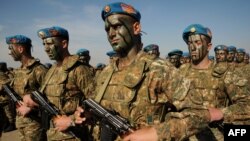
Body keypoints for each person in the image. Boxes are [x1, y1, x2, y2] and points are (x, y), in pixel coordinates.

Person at [122, 24, 250, 141]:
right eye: (189, 43)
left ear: (209, 46)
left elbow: (246, 106)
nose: (192, 47)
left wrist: (220, 113)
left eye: (197, 42)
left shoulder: (225, 73)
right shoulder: (178, 72)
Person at [74, 2, 176, 141]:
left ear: (136, 28)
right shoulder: (106, 72)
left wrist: (158, 133)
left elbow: (198, 113)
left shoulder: (159, 69)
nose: (111, 33)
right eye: (107, 29)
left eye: (117, 26)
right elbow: (95, 105)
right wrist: (88, 115)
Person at [24, 26, 95, 141]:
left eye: (50, 44)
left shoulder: (79, 69)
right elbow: (44, 98)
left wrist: (71, 120)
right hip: (53, 133)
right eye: (44, 44)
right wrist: (31, 99)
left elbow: (95, 104)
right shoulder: (52, 70)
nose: (46, 49)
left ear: (64, 44)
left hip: (74, 135)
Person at [5, 35, 48, 141]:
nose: (9, 52)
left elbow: (50, 97)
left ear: (20, 49)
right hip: (21, 122)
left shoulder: (38, 70)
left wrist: (30, 108)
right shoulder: (18, 71)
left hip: (35, 124)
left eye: (11, 48)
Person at [0, 62, 16, 133]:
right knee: (5, 112)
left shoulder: (3, 74)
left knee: (8, 111)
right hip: (3, 97)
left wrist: (2, 85)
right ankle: (7, 124)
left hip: (5, 97)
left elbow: (6, 82)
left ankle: (11, 124)